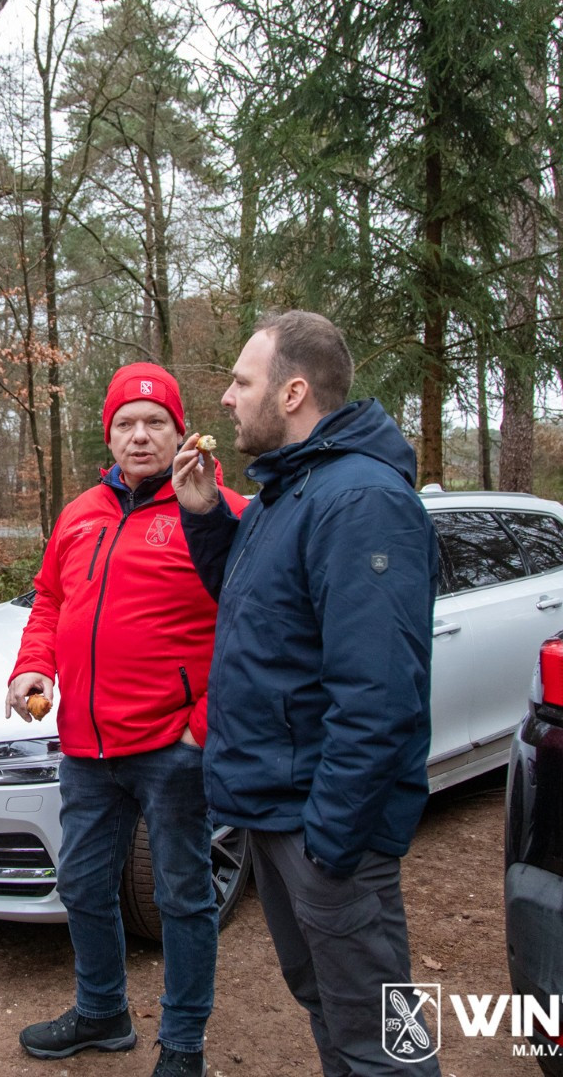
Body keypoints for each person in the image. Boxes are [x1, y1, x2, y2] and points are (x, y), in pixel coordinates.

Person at [170, 311, 441, 1077]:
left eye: (241, 382)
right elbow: (263, 614)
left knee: (383, 1041)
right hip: (282, 812)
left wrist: (331, 841)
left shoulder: (361, 502)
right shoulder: (289, 492)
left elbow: (380, 698)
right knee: (327, 1004)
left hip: (326, 832)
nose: (227, 398)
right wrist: (206, 519)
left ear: (292, 393)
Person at [7, 363, 248, 1077]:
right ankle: (102, 1012)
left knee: (182, 898)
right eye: (125, 424)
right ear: (108, 435)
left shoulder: (219, 512)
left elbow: (250, 630)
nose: (139, 436)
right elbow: (50, 599)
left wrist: (202, 724)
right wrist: (33, 666)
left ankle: (184, 1042)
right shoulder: (81, 512)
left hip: (172, 747)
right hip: (87, 745)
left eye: (155, 423)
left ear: (181, 432)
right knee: (83, 885)